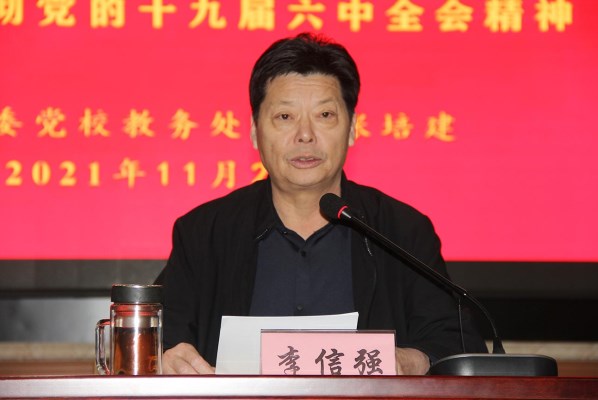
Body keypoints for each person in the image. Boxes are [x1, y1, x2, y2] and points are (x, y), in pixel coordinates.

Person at [160, 32, 487, 375]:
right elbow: (161, 334)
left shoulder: (401, 231)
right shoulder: (204, 232)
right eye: (284, 117)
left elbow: (458, 343)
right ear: (255, 131)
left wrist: (410, 361)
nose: (305, 135)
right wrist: (166, 357)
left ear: (352, 128)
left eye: (325, 115)